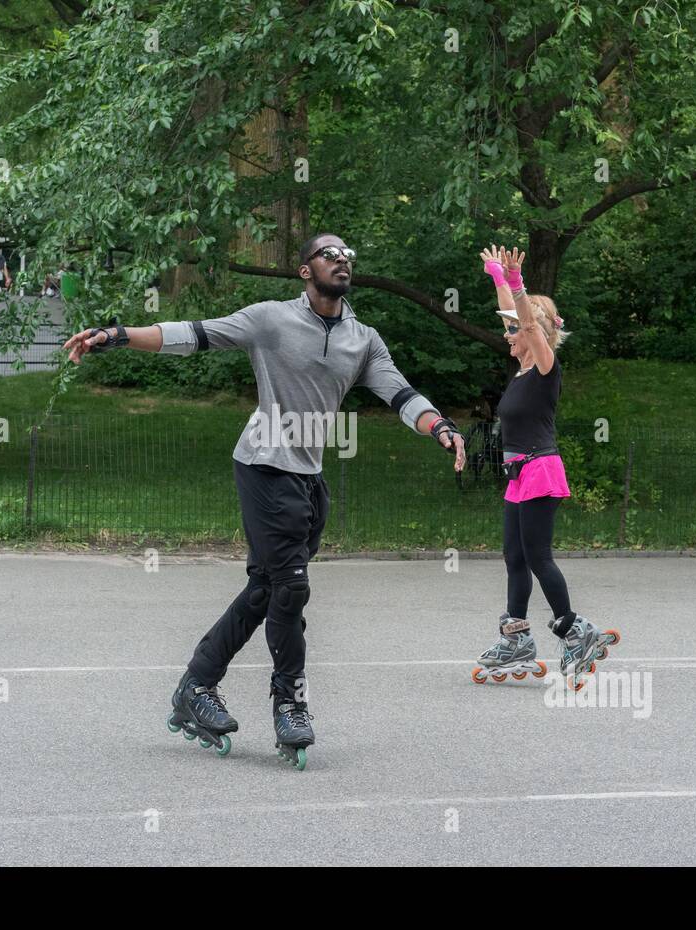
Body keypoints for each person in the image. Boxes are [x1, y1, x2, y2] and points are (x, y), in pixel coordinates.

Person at [64, 233, 466, 769]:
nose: (341, 261)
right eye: (329, 254)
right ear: (305, 270)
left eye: (348, 255)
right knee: (291, 586)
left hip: (308, 476)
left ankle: (196, 686)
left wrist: (439, 425)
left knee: (266, 588)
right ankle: (290, 702)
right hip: (263, 464)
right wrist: (116, 336)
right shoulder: (271, 319)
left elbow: (400, 393)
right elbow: (192, 335)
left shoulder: (363, 339)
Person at [470, 245, 619, 691]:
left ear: (532, 332)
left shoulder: (545, 368)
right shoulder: (519, 373)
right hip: (519, 476)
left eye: (514, 330)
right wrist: (497, 274)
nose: (508, 334)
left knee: (538, 557)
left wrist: (517, 283)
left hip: (540, 471)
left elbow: (528, 323)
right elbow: (513, 315)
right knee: (514, 558)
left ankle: (575, 630)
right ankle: (516, 636)